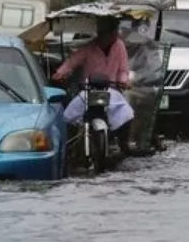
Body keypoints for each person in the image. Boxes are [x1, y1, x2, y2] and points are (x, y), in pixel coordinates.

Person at [54, 17, 133, 151]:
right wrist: (60, 73)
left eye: (113, 32)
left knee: (126, 112)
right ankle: (70, 146)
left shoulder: (120, 46)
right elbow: (72, 61)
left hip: (111, 90)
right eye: (104, 32)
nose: (109, 36)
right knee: (70, 114)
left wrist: (124, 81)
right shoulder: (89, 48)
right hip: (88, 90)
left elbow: (123, 69)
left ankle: (123, 143)